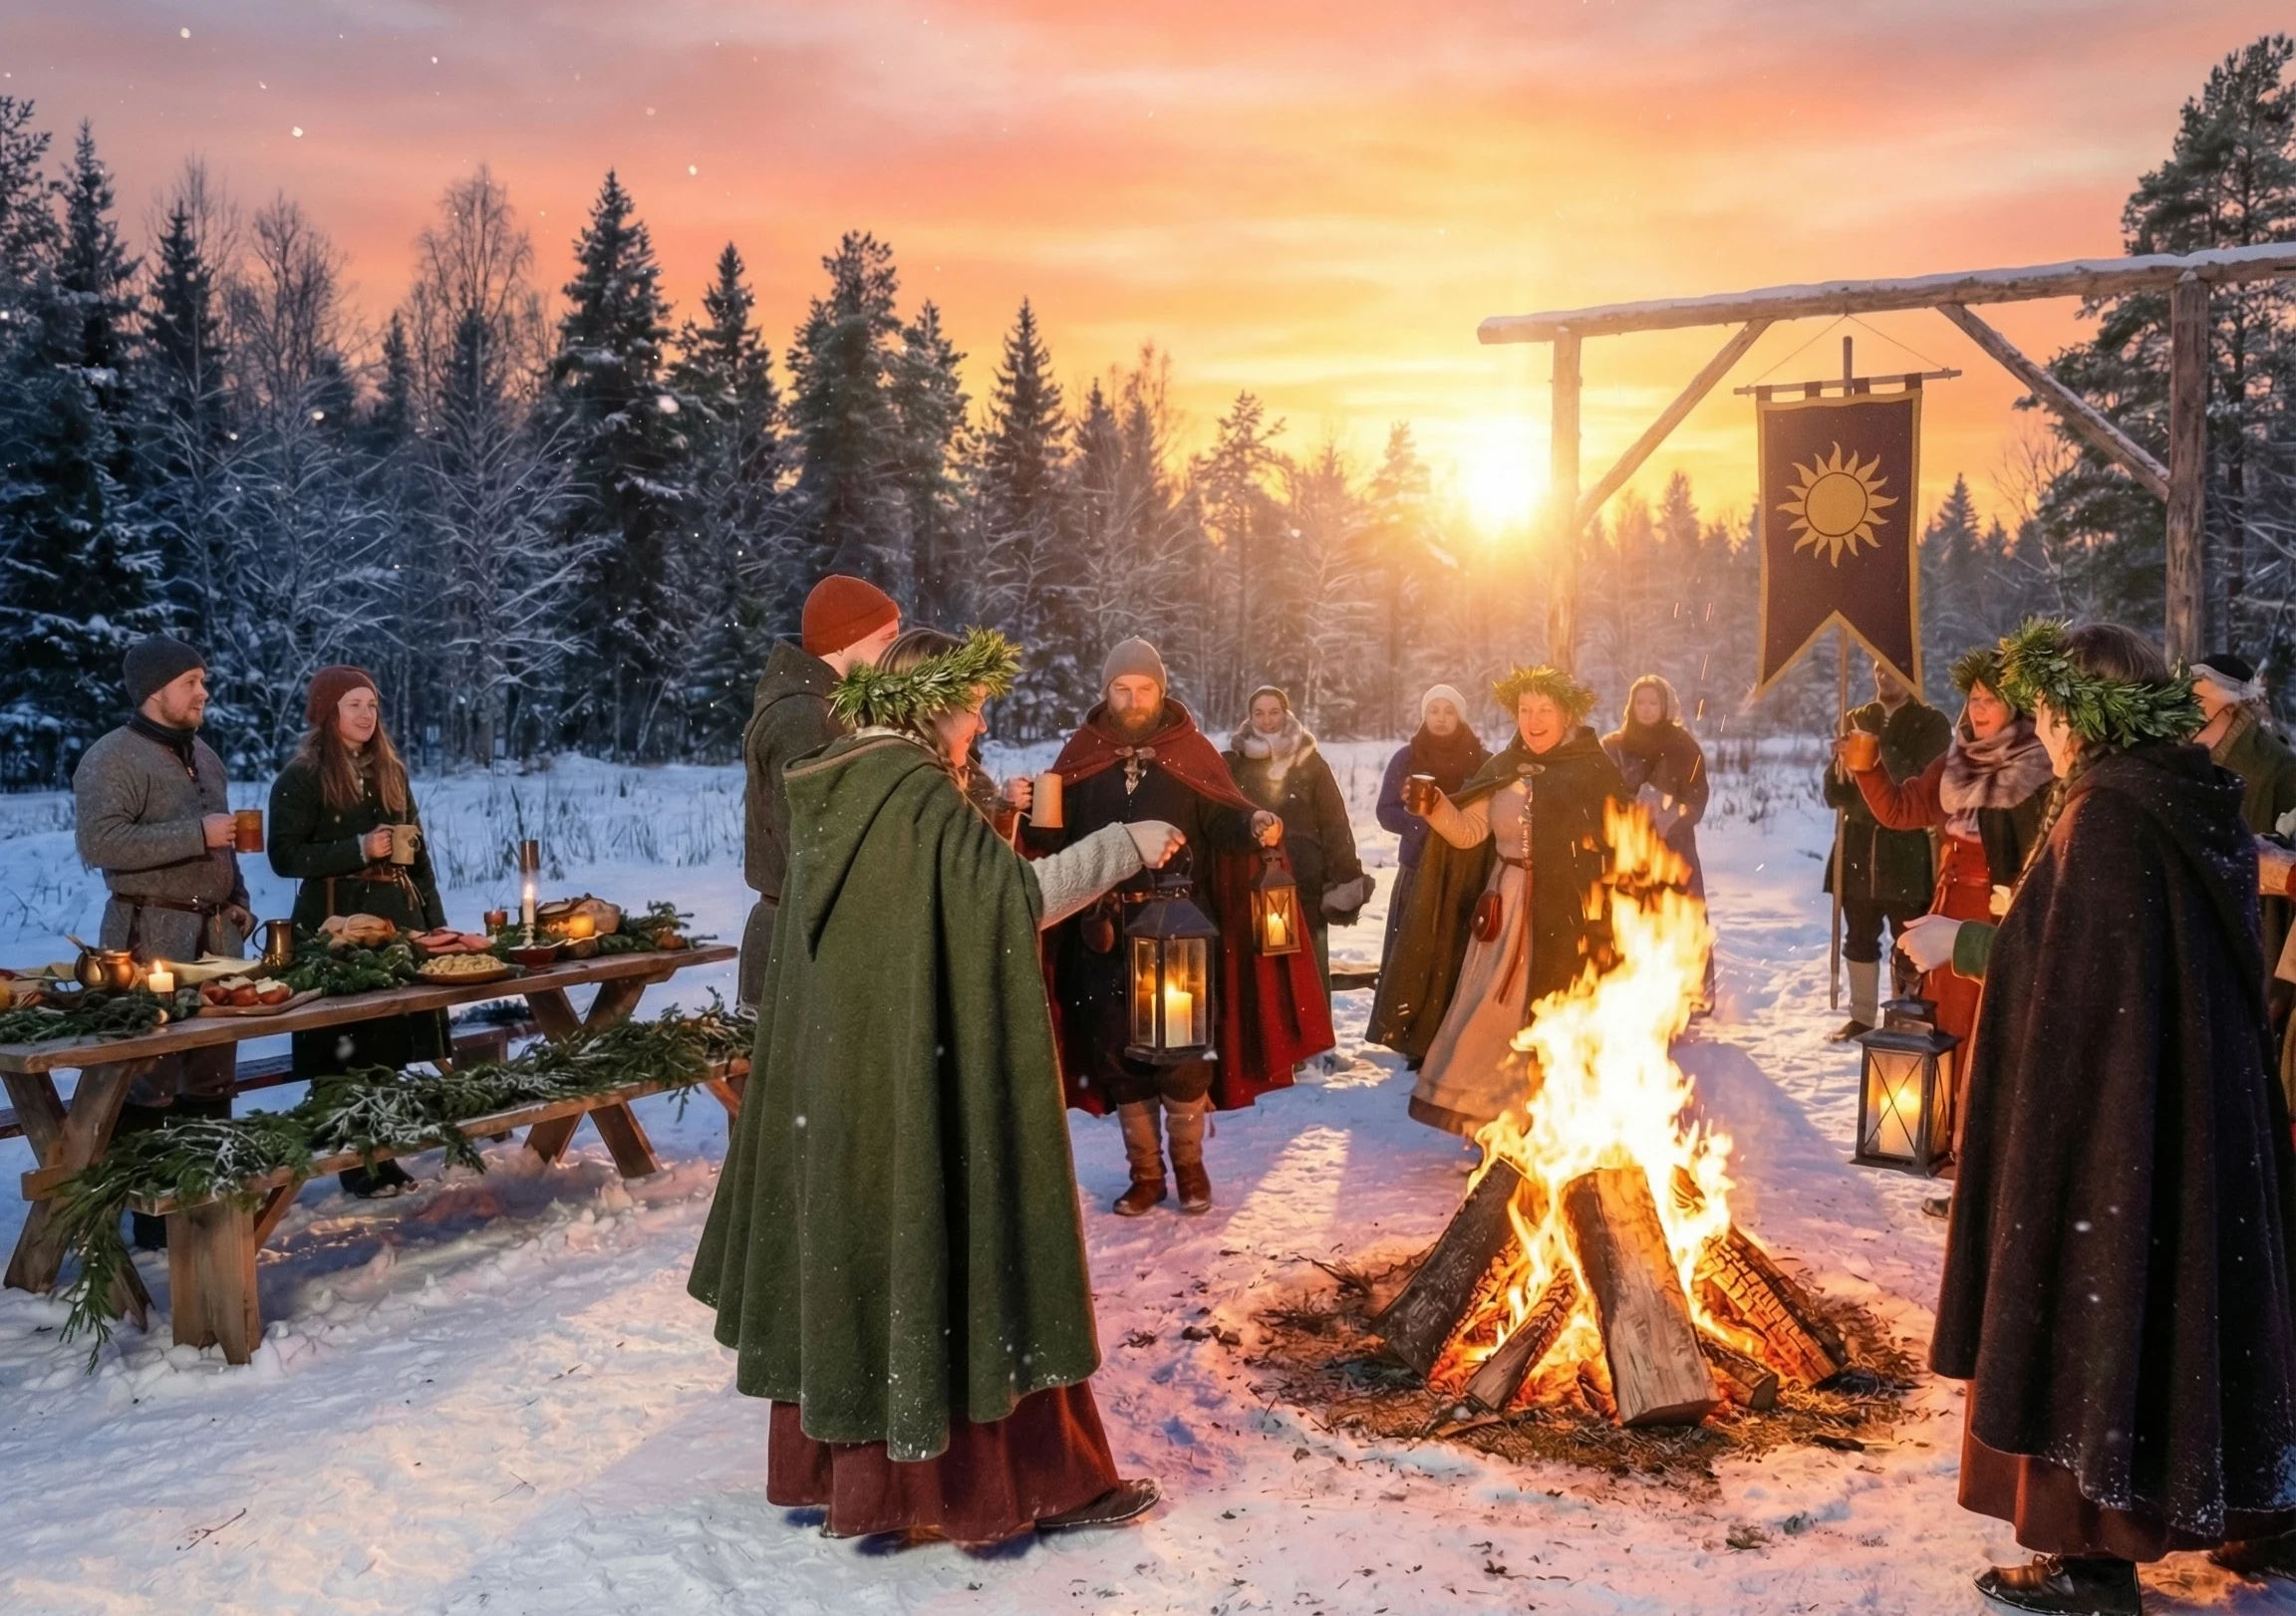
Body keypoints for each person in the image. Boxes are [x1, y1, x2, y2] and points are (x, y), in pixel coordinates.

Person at [690, 626, 1172, 1546]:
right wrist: (1129, 845)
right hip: (920, 1077)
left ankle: (865, 1481)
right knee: (973, 1250)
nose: (983, 721)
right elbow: (1013, 900)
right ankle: (1016, 1487)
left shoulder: (852, 781)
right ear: (934, 702)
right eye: (976, 704)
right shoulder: (911, 794)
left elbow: (935, 907)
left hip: (865, 1080)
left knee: (881, 1255)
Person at [1910, 621, 2296, 1615]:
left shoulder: (2114, 816)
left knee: (2102, 1301)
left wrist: (1967, 944)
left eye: (2046, 708)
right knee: (2173, 1302)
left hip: (2111, 1138)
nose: (2041, 724)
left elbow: (2079, 989)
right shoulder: (2184, 796)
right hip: (2179, 1123)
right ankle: (2244, 1511)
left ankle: (2092, 1556)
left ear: (2083, 707)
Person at [1026, 639, 1331, 1216]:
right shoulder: (1082, 753)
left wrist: (1254, 822)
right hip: (1104, 933)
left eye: (1144, 689)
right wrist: (1026, 815)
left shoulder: (1189, 752)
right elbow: (1052, 842)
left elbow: (1222, 819)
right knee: (1120, 1055)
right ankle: (1146, 1173)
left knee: (1184, 1054)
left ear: (1161, 692)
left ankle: (1190, 1167)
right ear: (1106, 692)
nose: (1133, 699)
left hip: (1179, 931)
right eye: (1122, 688)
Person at [1371, 666, 1627, 1138]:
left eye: (1544, 710)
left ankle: (1557, 1122)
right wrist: (1434, 808)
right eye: (1525, 710)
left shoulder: (1594, 770)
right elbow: (1469, 833)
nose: (1532, 720)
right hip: (1507, 908)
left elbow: (1623, 845)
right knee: (1491, 1012)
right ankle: (1489, 1116)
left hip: (1571, 915)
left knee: (1558, 1014)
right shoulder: (1504, 767)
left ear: (1565, 714)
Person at [1840, 645, 2053, 1184]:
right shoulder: (1957, 758)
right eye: (1973, 699)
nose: (1978, 711)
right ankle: (1952, 1151)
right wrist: (1868, 769)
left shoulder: (2040, 763)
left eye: (1991, 700)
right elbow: (1902, 809)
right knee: (1949, 1034)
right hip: (1947, 905)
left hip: (1998, 915)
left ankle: (1984, 1165)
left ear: (2019, 705)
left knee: (1992, 1040)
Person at [72, 635, 252, 1243]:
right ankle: (153, 1222)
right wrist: (196, 834)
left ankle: (206, 1198)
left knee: (212, 1072)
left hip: (216, 936)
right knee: (151, 1075)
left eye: (202, 680)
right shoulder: (110, 758)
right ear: (156, 691)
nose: (204, 691)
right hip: (149, 937)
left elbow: (224, 841)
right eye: (191, 683)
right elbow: (102, 844)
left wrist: (241, 903)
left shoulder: (207, 755)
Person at [267, 666, 450, 1198]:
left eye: (372, 705)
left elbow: (419, 858)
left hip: (398, 918)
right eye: (354, 705)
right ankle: (355, 1163)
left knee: (388, 1040)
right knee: (345, 1043)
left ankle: (383, 1157)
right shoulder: (300, 778)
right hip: (335, 923)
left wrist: (435, 926)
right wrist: (357, 850)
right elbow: (284, 856)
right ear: (329, 712)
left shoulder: (392, 771)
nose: (367, 715)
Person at [736, 574, 902, 1008]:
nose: (894, 653)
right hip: (798, 946)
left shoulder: (827, 706)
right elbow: (819, 852)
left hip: (808, 936)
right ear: (845, 642)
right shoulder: (804, 717)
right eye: (886, 639)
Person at [1821, 659, 1951, 1040]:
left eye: (1893, 669)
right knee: (1859, 935)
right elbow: (1836, 794)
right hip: (1857, 844)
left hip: (1906, 849)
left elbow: (1918, 779)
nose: (1884, 676)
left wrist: (1874, 752)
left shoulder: (1932, 723)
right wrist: (1843, 766)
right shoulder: (1856, 716)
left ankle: (1907, 1016)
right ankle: (1861, 1016)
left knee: (1910, 939)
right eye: (1879, 669)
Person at [1223, 684, 1373, 998]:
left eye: (1274, 712)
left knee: (1308, 970)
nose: (1267, 720)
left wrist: (1344, 875)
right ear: (1249, 718)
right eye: (1259, 713)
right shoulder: (1234, 764)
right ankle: (1268, 1041)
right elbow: (1220, 817)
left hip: (1304, 878)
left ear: (1285, 713)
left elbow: (1334, 822)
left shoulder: (1310, 762)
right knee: (1259, 973)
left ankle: (1314, 1038)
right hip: (1251, 878)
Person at [1375, 684, 1490, 972]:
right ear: (1424, 715)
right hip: (1417, 866)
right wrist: (1420, 828)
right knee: (1412, 956)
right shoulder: (1407, 757)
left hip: (1466, 870)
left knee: (1456, 958)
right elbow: (1385, 810)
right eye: (1433, 711)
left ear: (1460, 717)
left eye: (1449, 712)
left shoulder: (1482, 760)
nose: (1441, 718)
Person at [1600, 673, 1710, 900]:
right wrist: (1627, 810)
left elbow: (1696, 796)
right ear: (1631, 705)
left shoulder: (1684, 747)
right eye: (1640, 702)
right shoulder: (1613, 747)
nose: (1646, 709)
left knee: (1674, 919)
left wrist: (1672, 815)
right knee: (1628, 918)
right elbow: (1597, 795)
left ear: (1666, 706)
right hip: (1626, 849)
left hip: (1672, 849)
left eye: (1653, 703)